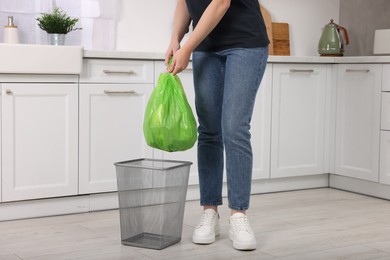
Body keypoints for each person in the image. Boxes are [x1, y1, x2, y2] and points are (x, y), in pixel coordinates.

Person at [165, 0, 269, 251]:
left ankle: (239, 215)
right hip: (205, 46)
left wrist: (187, 47)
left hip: (245, 43)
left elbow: (221, 2)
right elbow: (184, 2)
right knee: (209, 131)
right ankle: (210, 211)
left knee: (235, 129)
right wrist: (175, 39)